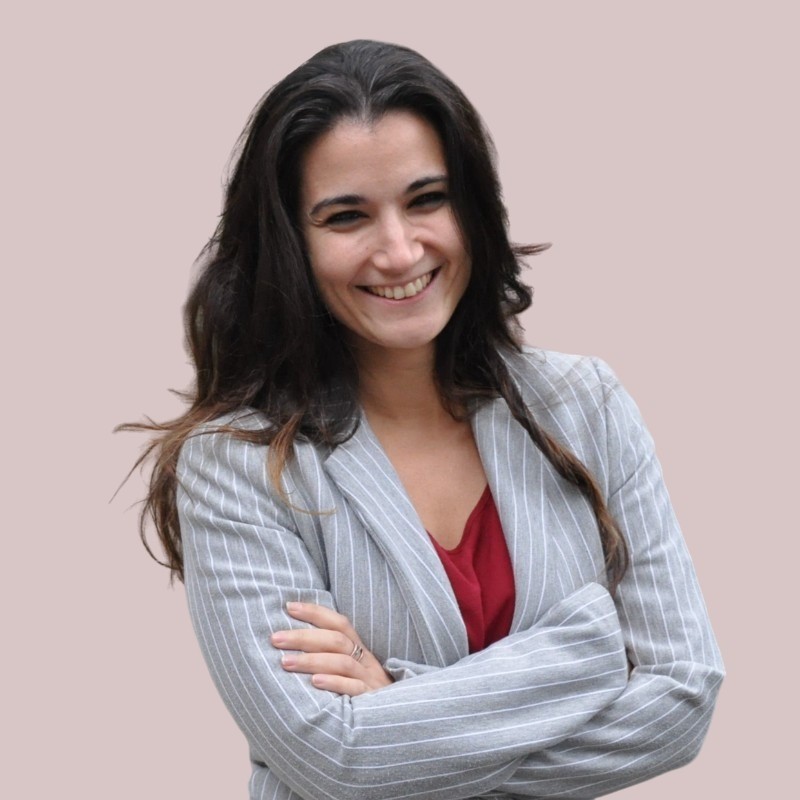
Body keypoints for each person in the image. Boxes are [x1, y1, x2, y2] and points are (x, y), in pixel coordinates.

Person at [125, 40, 724, 800]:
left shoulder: (586, 405)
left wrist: (394, 700)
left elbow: (681, 701)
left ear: (472, 205)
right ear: (289, 244)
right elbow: (332, 762)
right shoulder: (239, 462)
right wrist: (591, 652)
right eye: (347, 216)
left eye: (427, 200)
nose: (400, 250)